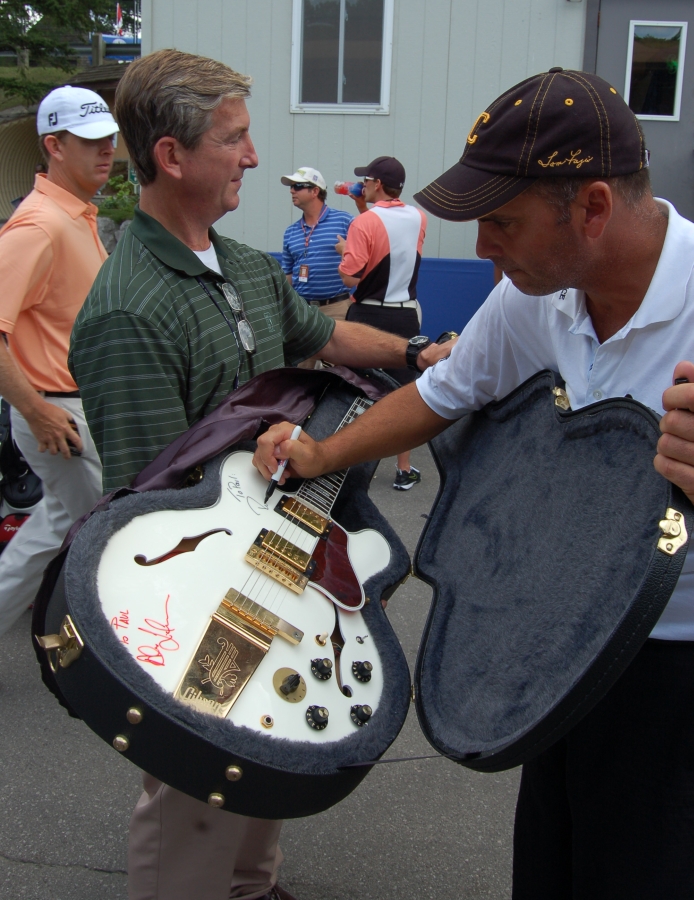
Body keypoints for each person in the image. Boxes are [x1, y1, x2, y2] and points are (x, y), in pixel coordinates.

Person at [255, 68, 694, 899]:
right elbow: (441, 393)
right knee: (552, 865)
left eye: (501, 221)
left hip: (672, 663)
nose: (483, 247)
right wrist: (323, 454)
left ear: (592, 208)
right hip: (553, 633)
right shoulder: (538, 293)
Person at [68, 49, 450, 900]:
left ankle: (249, 888)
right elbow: (147, 499)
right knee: (196, 777)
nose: (252, 157)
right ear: (172, 156)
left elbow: (322, 335)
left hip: (279, 548)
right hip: (203, 584)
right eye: (235, 139)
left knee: (268, 734)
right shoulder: (128, 308)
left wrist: (421, 355)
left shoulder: (239, 263)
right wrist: (259, 449)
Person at [0, 85, 117, 637]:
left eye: (109, 138)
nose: (107, 150)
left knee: (58, 527)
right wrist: (38, 411)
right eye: (91, 140)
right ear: (54, 145)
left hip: (73, 407)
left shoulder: (77, 216)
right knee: (110, 530)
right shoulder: (40, 225)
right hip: (57, 415)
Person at [336, 156, 427, 490]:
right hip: (404, 314)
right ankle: (404, 469)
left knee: (353, 388)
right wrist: (365, 207)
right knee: (403, 394)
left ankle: (345, 466)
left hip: (368, 313)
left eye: (366, 181)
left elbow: (351, 277)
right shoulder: (419, 217)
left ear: (374, 183)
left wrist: (345, 250)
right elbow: (388, 238)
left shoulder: (363, 223)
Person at [280, 166, 354, 320]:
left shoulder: (345, 221)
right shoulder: (290, 232)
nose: (292, 190)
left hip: (336, 309)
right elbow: (287, 275)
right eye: (291, 186)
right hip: (301, 310)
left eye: (298, 186)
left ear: (315, 191)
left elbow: (366, 260)